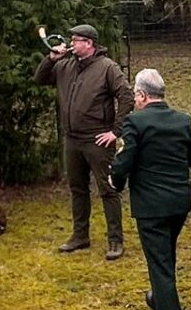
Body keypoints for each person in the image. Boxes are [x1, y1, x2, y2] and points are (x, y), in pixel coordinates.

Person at [111, 69, 191, 310]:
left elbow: (123, 161)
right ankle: (160, 299)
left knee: (159, 266)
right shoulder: (184, 120)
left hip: (152, 206)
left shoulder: (135, 122)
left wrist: (115, 181)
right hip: (180, 202)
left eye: (136, 96)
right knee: (166, 255)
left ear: (142, 95)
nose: (134, 101)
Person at [36, 24, 131, 260]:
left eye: (76, 40)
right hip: (72, 139)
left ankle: (115, 241)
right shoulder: (65, 65)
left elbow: (126, 96)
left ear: (89, 43)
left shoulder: (107, 67)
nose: (70, 43)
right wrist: (50, 58)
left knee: (108, 190)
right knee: (77, 188)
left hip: (97, 139)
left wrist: (115, 131)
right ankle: (80, 236)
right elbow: (40, 79)